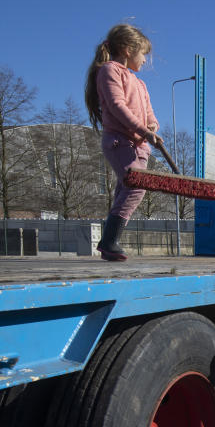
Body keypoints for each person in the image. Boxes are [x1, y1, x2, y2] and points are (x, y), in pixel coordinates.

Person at [84, 23, 161, 261]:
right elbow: (117, 106)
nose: (146, 60)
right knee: (137, 185)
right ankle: (109, 241)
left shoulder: (140, 84)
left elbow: (149, 114)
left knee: (126, 190)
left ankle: (110, 243)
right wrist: (141, 129)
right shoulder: (110, 71)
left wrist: (152, 127)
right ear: (128, 49)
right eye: (143, 54)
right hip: (119, 141)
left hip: (140, 147)